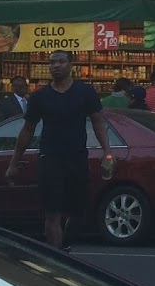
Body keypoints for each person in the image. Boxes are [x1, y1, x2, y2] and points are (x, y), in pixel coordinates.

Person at [7, 50, 113, 253]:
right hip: (50, 158)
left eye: (61, 62)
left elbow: (98, 122)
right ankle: (56, 254)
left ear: (71, 65)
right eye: (52, 62)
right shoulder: (40, 97)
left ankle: (65, 242)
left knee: (78, 211)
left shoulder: (85, 92)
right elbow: (27, 129)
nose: (56, 66)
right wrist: (13, 163)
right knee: (52, 212)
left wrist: (107, 152)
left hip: (77, 157)